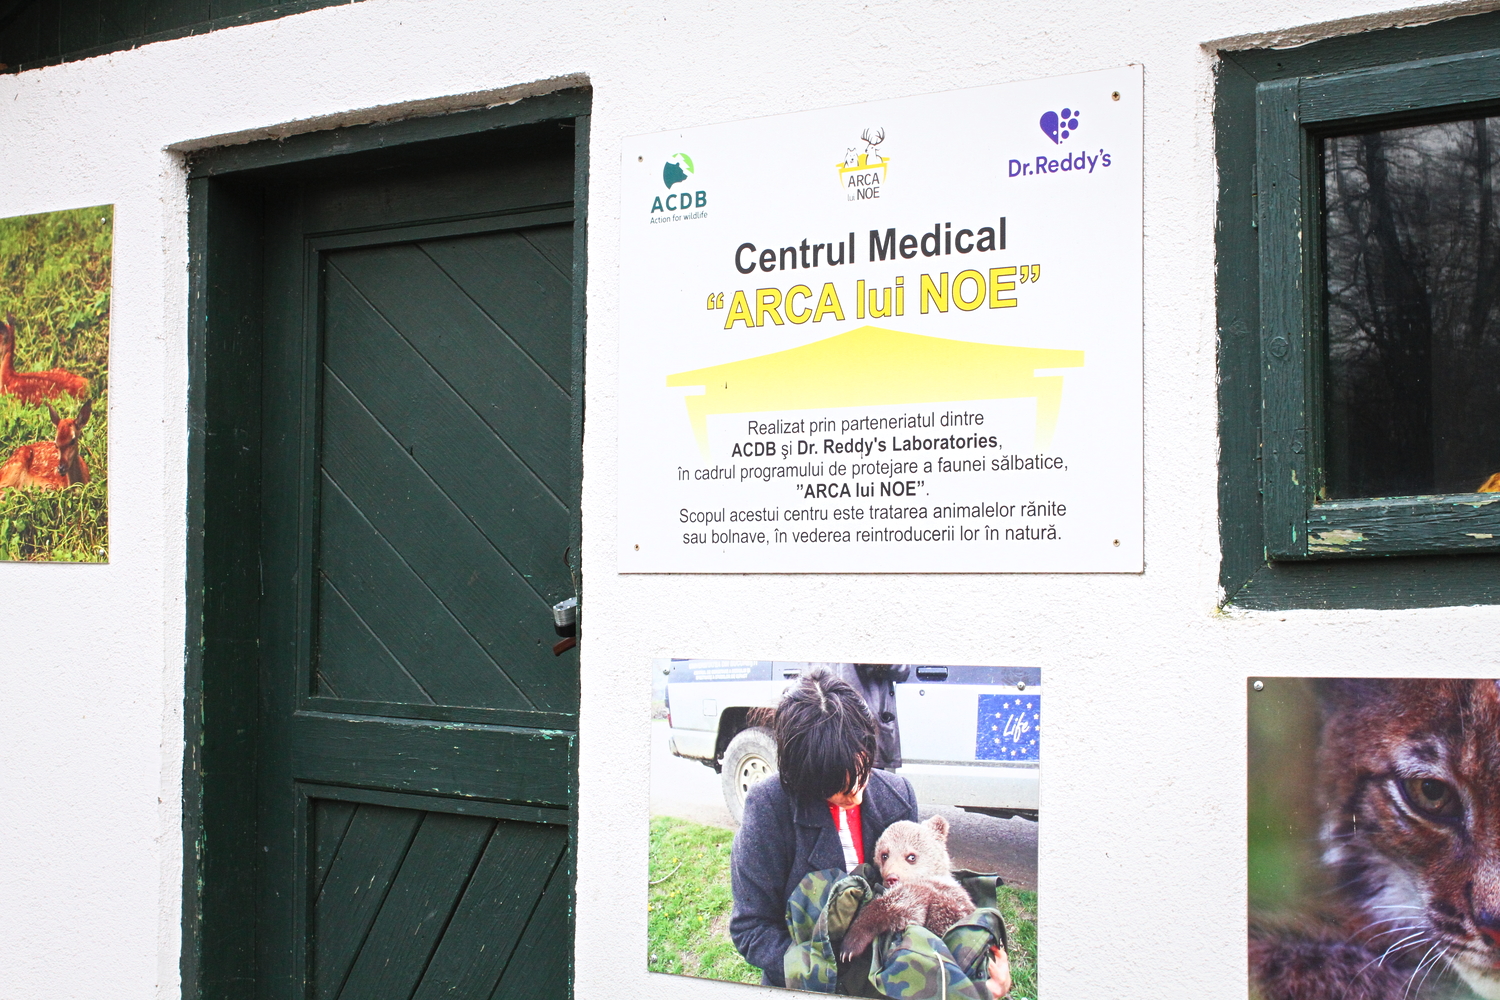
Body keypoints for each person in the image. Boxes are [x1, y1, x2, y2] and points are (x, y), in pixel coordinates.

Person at [729, 670, 1011, 998]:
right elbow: (751, 929)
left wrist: (974, 968)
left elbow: (921, 896)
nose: (857, 796)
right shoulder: (768, 809)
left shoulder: (897, 794)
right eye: (839, 789)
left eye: (862, 775)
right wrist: (824, 974)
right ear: (801, 776)